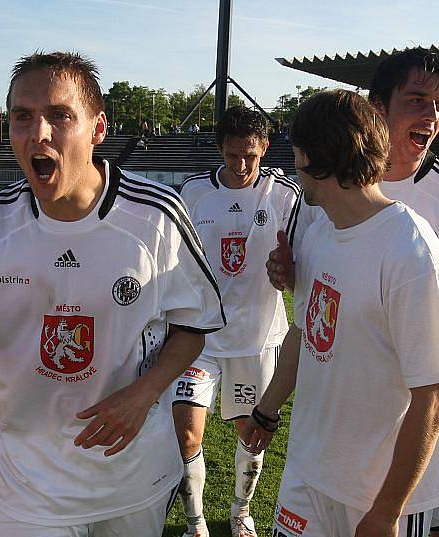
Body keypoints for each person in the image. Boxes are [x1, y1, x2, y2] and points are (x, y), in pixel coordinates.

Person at [0, 51, 225, 537]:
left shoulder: (156, 216)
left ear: (98, 129)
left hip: (132, 477)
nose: (39, 133)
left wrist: (142, 395)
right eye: (23, 117)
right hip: (31, 488)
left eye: (59, 115)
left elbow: (192, 329)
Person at [267, 49, 439, 537]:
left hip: (414, 419)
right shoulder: (316, 207)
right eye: (416, 100)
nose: (431, 115)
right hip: (327, 426)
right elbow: (313, 307)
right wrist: (290, 273)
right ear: (378, 107)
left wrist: (411, 283)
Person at [172, 106, 302, 537]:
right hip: (200, 339)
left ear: (265, 147)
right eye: (232, 154)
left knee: (251, 434)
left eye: (250, 154)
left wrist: (290, 269)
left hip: (257, 338)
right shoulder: (193, 194)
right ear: (219, 149)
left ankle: (241, 512)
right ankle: (195, 523)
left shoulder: (284, 195)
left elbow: (311, 258)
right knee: (187, 433)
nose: (241, 164)